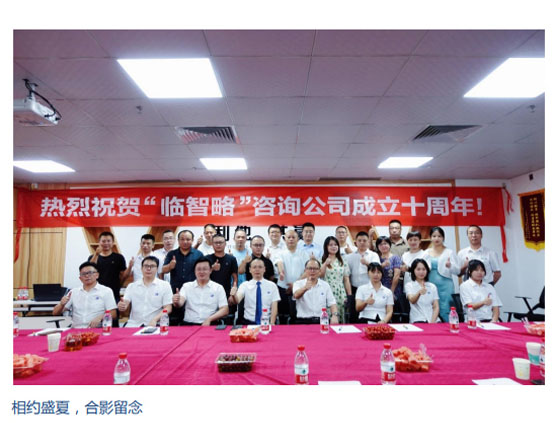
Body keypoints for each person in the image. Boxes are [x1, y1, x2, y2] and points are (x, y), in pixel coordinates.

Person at [53, 262, 117, 328]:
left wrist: (100, 317)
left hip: (97, 330)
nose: (87, 276)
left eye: (90, 273)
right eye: (83, 274)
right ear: (80, 278)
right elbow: (55, 313)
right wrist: (61, 304)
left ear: (97, 275)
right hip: (76, 330)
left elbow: (113, 314)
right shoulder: (73, 292)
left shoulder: (106, 291)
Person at [117, 256, 173, 327]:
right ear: (141, 268)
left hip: (155, 324)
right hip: (133, 324)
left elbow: (168, 308)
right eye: (146, 266)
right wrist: (122, 305)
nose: (148, 269)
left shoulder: (165, 285)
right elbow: (125, 302)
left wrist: (155, 319)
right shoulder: (132, 286)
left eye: (152, 266)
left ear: (157, 269)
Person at [162, 230, 203, 325]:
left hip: (193, 291)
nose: (185, 242)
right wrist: (170, 266)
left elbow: (203, 271)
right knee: (175, 319)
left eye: (188, 239)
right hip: (175, 291)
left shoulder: (198, 254)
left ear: (192, 240)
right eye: (182, 239)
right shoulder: (172, 254)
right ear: (178, 240)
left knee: (192, 319)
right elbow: (164, 270)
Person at [171, 257, 229, 326]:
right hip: (189, 324)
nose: (201, 272)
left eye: (205, 269)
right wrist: (176, 301)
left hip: (210, 324)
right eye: (198, 269)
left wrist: (209, 319)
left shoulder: (218, 288)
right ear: (194, 271)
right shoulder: (187, 286)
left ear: (210, 270)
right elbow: (180, 303)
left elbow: (225, 310)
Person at [425, 227, 460, 322]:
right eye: (434, 236)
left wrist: (450, 266)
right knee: (432, 307)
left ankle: (449, 326)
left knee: (446, 308)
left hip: (446, 285)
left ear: (443, 238)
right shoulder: (426, 252)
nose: (436, 238)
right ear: (430, 237)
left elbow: (457, 271)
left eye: (439, 236)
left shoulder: (449, 252)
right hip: (430, 284)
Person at [345, 231, 381, 322]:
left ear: (368, 242)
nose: (362, 242)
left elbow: (377, 270)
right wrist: (349, 294)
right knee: (354, 316)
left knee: (370, 315)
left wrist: (367, 263)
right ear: (355, 242)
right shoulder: (349, 257)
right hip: (354, 289)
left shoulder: (373, 255)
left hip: (370, 289)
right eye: (359, 240)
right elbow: (347, 276)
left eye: (364, 240)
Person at [233, 258, 280, 325]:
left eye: (260, 267)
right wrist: (233, 295)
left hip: (266, 322)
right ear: (250, 270)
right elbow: (237, 300)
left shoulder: (272, 286)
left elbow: (274, 307)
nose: (257, 269)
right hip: (248, 323)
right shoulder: (244, 285)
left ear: (264, 269)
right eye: (254, 267)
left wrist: (272, 323)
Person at [276, 229, 310, 322]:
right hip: (283, 288)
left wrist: (295, 284)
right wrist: (281, 272)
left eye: (293, 237)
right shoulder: (280, 253)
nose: (291, 239)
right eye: (289, 237)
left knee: (297, 317)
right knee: (283, 316)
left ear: (298, 239)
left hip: (300, 288)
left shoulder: (303, 254)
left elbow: (307, 271)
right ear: (284, 239)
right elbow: (279, 263)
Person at [87, 231, 130, 305]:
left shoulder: (119, 257)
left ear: (113, 243)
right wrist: (96, 254)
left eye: (108, 241)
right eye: (103, 241)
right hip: (96, 293)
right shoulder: (93, 257)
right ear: (99, 242)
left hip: (113, 294)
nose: (106, 243)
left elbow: (123, 276)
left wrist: (130, 266)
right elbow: (89, 270)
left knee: (113, 312)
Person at [293, 257, 339, 324]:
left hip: (321, 320)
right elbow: (296, 295)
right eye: (310, 268)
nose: (312, 271)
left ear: (319, 271)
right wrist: (305, 288)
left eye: (315, 269)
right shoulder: (298, 283)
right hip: (303, 321)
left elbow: (332, 302)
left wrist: (335, 315)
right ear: (305, 270)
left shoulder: (325, 285)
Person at [320, 236, 351, 323]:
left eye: (335, 245)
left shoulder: (343, 261)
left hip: (340, 291)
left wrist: (349, 296)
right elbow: (320, 275)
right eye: (331, 245)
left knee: (340, 316)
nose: (333, 247)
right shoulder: (321, 260)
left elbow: (346, 280)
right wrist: (325, 264)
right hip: (326, 291)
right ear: (326, 247)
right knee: (326, 317)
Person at [205, 233, 238, 308]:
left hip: (226, 293)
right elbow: (202, 275)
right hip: (209, 294)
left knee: (227, 313)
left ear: (225, 244)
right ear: (212, 244)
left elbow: (235, 278)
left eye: (220, 242)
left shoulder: (231, 259)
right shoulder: (206, 258)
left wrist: (232, 294)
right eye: (216, 243)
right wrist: (212, 268)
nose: (218, 245)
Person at [406, 259, 439, 323]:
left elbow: (436, 307)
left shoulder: (432, 286)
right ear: (413, 270)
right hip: (418, 319)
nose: (421, 272)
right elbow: (412, 300)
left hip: (433, 319)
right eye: (418, 269)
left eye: (424, 269)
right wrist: (419, 293)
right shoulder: (409, 285)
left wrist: (432, 322)